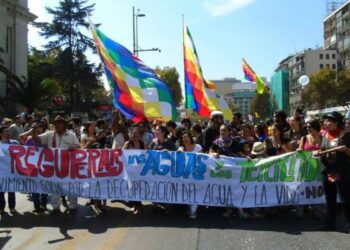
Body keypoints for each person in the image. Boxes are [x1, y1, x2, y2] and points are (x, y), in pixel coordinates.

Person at [38, 115, 81, 216]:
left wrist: (73, 147)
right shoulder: (49, 134)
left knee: (70, 186)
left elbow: (79, 147)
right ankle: (56, 207)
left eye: (59, 123)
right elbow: (37, 139)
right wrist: (34, 129)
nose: (57, 125)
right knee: (54, 187)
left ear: (64, 125)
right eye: (55, 123)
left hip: (68, 166)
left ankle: (72, 206)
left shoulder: (71, 135)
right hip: (53, 167)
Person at [317, 111, 350, 231]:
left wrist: (346, 150)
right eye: (325, 120)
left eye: (328, 120)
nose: (325, 123)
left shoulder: (345, 135)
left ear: (336, 122)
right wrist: (318, 152)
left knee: (346, 199)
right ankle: (330, 224)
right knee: (329, 199)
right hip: (327, 171)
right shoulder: (324, 135)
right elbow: (322, 150)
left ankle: (348, 224)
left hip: (342, 171)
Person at [22, 122, 48, 213]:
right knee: (34, 187)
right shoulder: (29, 139)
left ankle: (43, 204)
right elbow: (25, 151)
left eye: (39, 127)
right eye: (35, 128)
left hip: (44, 166)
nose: (38, 129)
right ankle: (37, 206)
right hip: (32, 166)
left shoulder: (45, 138)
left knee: (44, 186)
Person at [178, 131, 202, 219]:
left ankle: (193, 210)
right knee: (187, 191)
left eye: (186, 137)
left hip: (196, 174)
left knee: (194, 191)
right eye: (183, 137)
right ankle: (190, 208)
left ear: (190, 138)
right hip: (185, 175)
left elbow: (204, 158)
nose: (185, 139)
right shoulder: (181, 148)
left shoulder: (198, 147)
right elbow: (177, 154)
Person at [0, 125, 20, 214]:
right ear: (1, 134)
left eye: (9, 131)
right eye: (6, 131)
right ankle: (1, 208)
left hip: (12, 171)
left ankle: (12, 207)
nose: (8, 133)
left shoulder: (15, 143)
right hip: (1, 172)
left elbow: (22, 154)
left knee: (11, 190)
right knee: (1, 191)